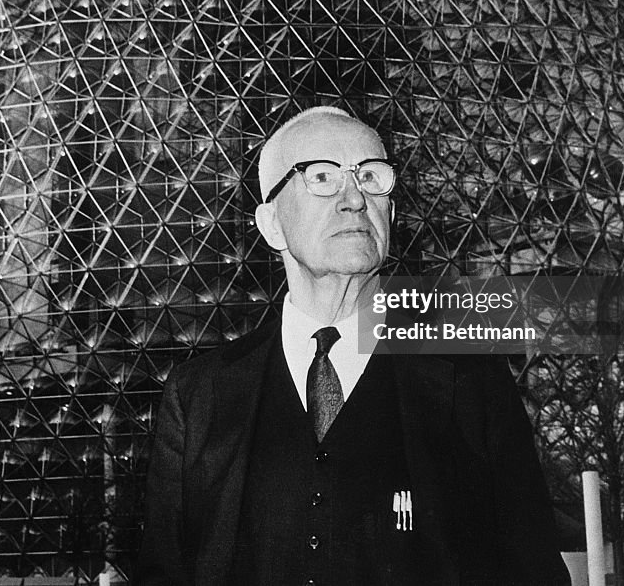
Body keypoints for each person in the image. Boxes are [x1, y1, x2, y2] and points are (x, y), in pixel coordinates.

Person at [135, 107, 570, 585]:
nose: (354, 199)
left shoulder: (469, 380)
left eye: (370, 177)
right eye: (321, 176)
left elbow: (534, 571)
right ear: (271, 223)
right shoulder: (200, 395)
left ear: (392, 212)